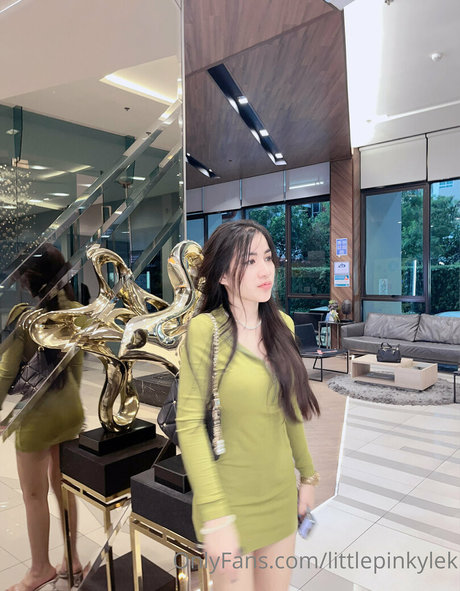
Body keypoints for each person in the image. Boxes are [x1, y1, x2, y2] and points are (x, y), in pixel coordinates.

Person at [176, 220, 320, 591]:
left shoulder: (283, 325)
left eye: (268, 258)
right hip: (228, 502)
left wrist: (307, 476)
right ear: (223, 275)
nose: (265, 270)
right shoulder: (205, 330)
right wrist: (215, 515)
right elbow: (189, 425)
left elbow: (290, 413)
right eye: (250, 261)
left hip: (278, 496)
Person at [0, 244, 85, 591]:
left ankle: (40, 569)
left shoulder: (24, 317)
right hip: (70, 411)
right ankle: (72, 559)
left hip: (36, 417)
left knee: (34, 495)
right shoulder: (76, 311)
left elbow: (5, 372)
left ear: (28, 281)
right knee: (63, 488)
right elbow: (76, 368)